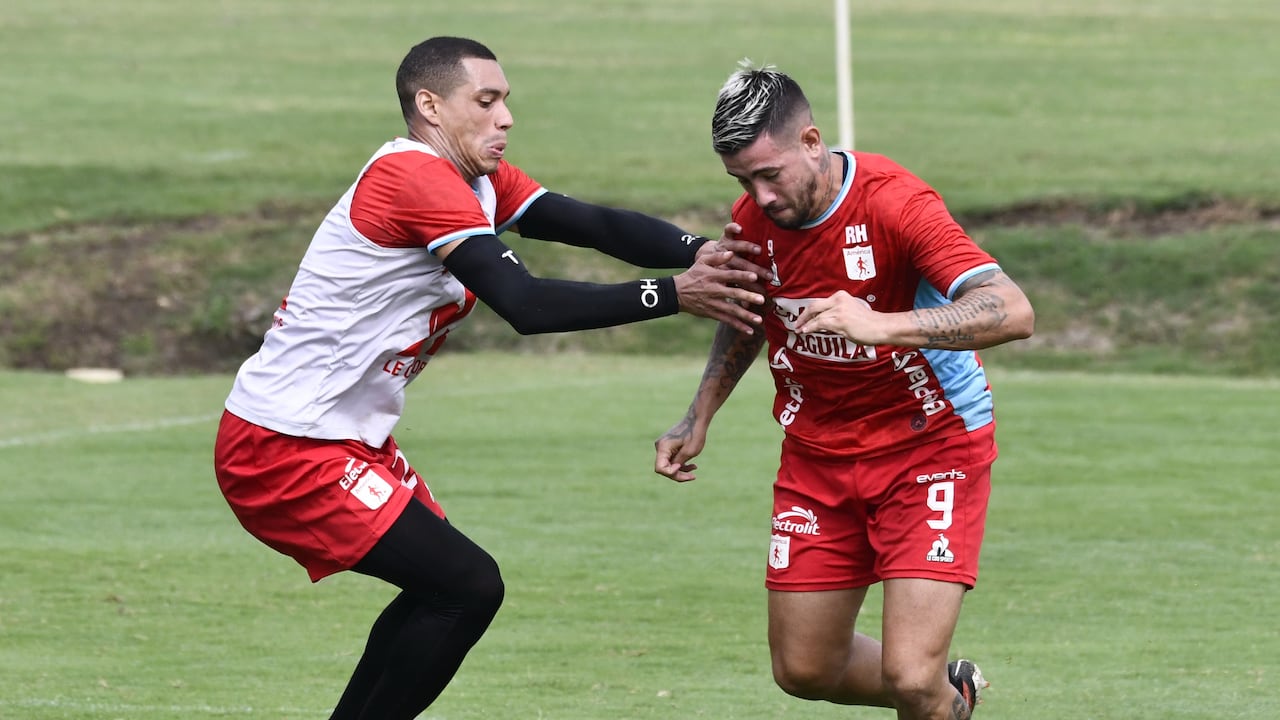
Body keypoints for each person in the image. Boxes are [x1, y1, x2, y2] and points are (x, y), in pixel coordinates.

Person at [212, 36, 771, 720]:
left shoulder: (473, 180)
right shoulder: (413, 177)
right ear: (430, 107)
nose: (505, 117)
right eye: (487, 100)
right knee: (466, 586)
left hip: (339, 440)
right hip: (283, 445)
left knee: (442, 591)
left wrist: (704, 252)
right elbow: (526, 305)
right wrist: (675, 293)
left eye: (505, 100)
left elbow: (591, 223)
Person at [653, 61, 1035, 720]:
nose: (759, 196)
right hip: (817, 457)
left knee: (911, 678)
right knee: (804, 668)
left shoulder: (895, 202)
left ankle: (933, 693)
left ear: (811, 142)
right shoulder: (755, 217)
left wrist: (883, 324)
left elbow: (1011, 309)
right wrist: (700, 413)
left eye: (769, 174)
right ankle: (954, 695)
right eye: (742, 180)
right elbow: (750, 317)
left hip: (929, 449)